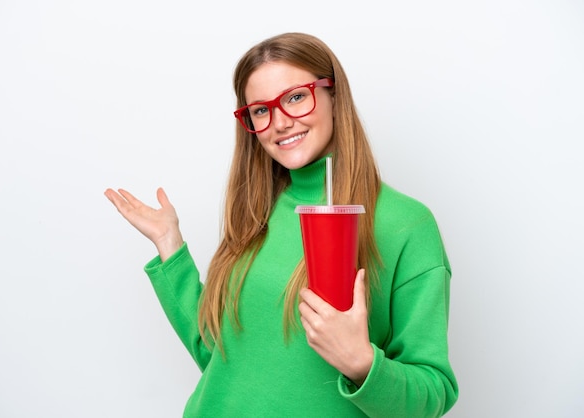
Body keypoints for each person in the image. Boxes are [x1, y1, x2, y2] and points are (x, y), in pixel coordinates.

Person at [104, 32, 458, 417]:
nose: (280, 123)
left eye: (295, 97)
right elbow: (220, 357)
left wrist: (361, 363)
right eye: (260, 110)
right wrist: (169, 244)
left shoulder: (405, 225)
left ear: (334, 95)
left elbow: (432, 395)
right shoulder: (257, 213)